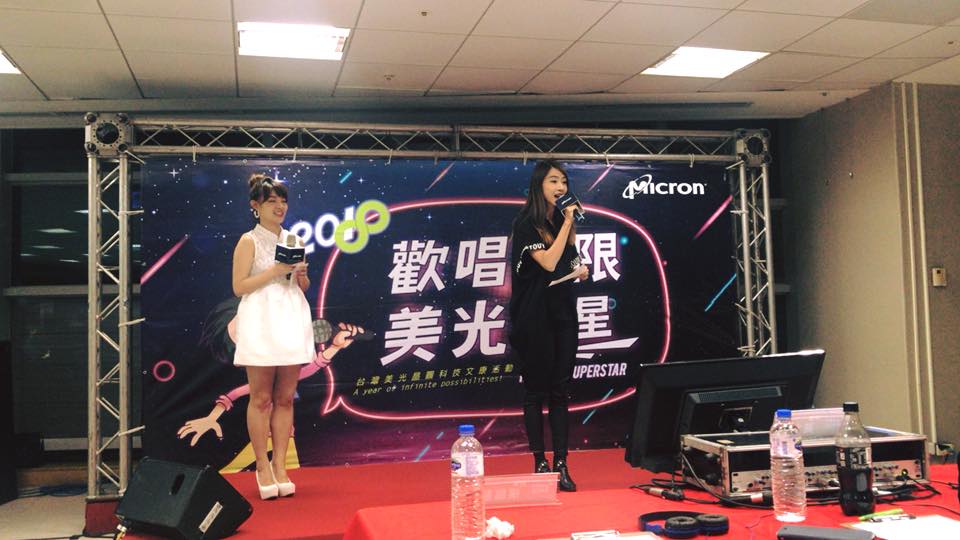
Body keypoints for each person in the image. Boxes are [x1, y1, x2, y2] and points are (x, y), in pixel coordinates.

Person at [230, 173, 316, 500]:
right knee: (261, 398)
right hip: (261, 319)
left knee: (285, 398)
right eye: (271, 202)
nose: (280, 207)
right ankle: (262, 466)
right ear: (255, 206)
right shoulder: (248, 241)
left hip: (291, 316)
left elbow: (300, 286)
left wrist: (301, 276)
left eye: (283, 201)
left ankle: (281, 465)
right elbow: (239, 286)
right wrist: (275, 271)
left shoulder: (294, 239)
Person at [509, 160, 589, 492]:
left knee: (560, 390)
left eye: (564, 182)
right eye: (554, 181)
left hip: (563, 315)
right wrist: (568, 221)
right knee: (535, 392)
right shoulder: (526, 223)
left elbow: (569, 260)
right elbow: (549, 261)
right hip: (533, 317)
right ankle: (540, 461)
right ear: (539, 185)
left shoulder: (561, 222)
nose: (560, 187)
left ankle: (562, 463)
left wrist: (581, 269)